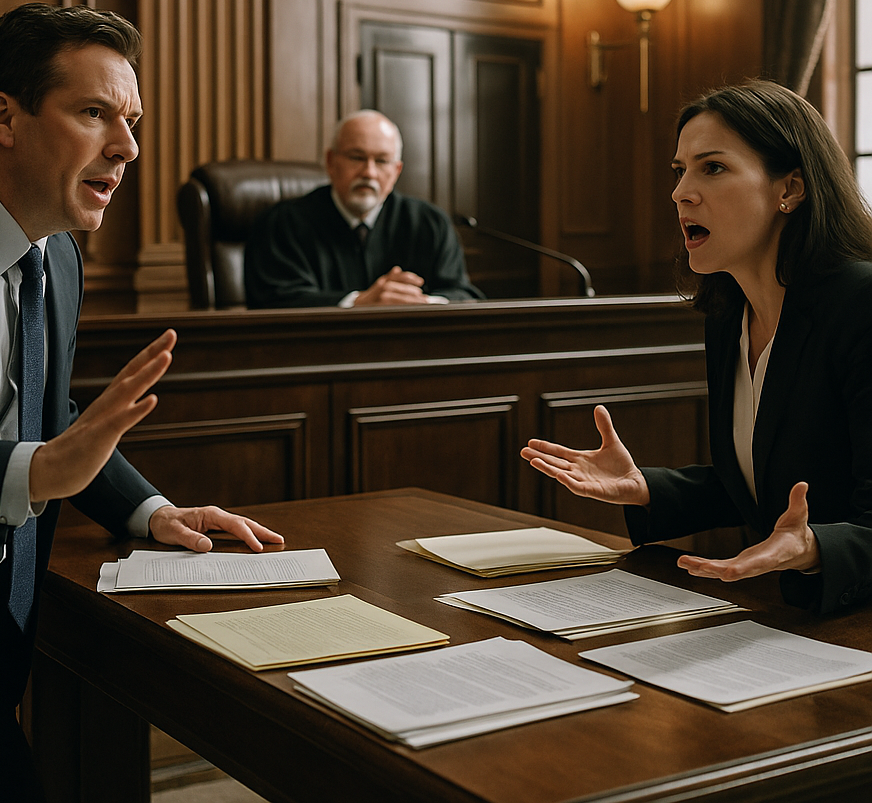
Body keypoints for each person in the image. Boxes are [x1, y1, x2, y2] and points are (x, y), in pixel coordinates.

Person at [0, 3, 283, 801]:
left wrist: (151, 511)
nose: (129, 147)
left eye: (133, 121)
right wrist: (35, 474)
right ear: (4, 117)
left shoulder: (59, 259)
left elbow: (48, 411)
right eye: (95, 114)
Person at [522, 80, 872, 615]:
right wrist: (645, 488)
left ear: (791, 189)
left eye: (712, 167)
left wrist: (816, 548)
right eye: (679, 170)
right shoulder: (728, 314)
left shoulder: (861, 303)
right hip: (788, 617)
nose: (680, 192)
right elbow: (762, 483)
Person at [244, 110, 483, 307]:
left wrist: (421, 303)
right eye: (357, 157)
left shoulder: (430, 222)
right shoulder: (282, 224)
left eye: (381, 161)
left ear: (396, 171)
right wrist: (358, 302)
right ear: (330, 162)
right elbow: (275, 301)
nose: (369, 172)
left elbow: (463, 295)